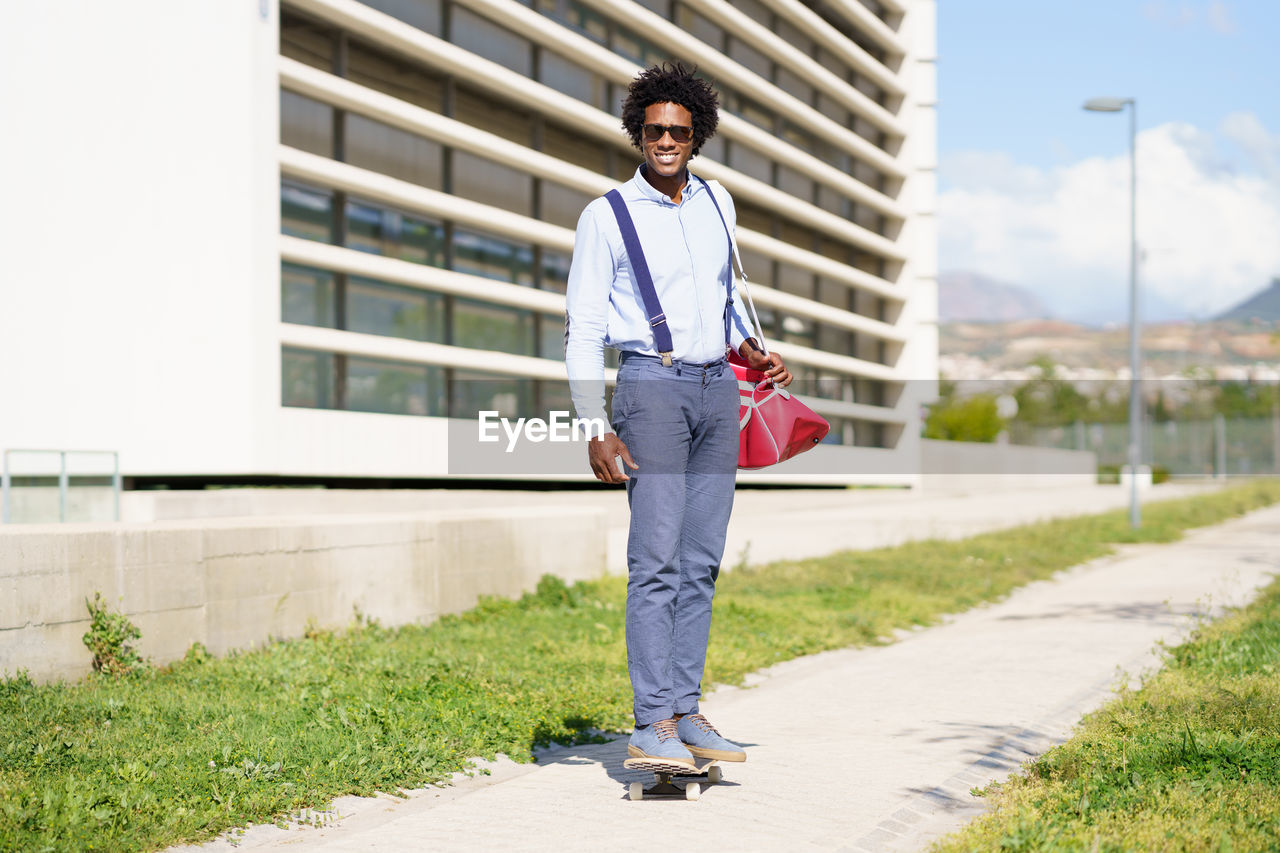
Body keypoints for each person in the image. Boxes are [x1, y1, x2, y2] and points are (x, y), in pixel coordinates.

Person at [564, 63, 791, 772]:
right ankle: (651, 720)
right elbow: (583, 325)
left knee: (701, 561)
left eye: (679, 131)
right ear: (638, 132)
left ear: (698, 137)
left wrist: (751, 348)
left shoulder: (718, 202)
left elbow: (721, 303)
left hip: (719, 390)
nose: (666, 140)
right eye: (655, 130)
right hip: (650, 390)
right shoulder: (606, 215)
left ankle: (687, 711)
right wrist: (593, 424)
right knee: (655, 561)